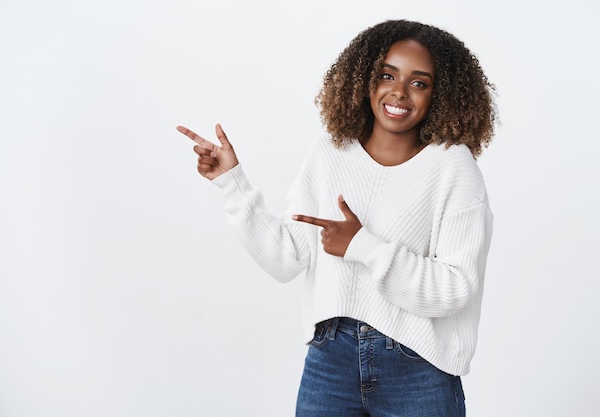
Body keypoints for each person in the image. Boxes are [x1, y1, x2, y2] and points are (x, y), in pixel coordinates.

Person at [177, 19, 496, 417]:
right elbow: (285, 259)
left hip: (418, 367)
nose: (399, 91)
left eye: (419, 82)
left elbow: (456, 287)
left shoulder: (454, 169)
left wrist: (363, 246)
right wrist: (231, 183)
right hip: (331, 360)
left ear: (441, 94)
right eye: (386, 75)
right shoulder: (330, 153)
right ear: (364, 79)